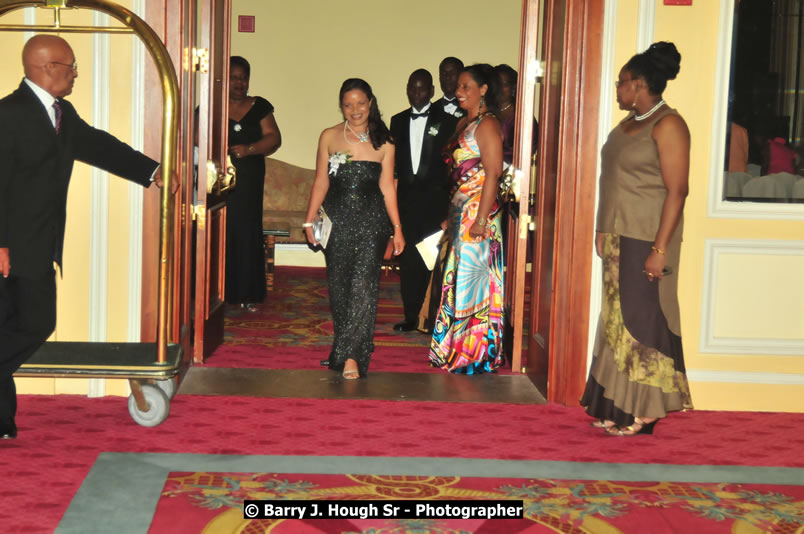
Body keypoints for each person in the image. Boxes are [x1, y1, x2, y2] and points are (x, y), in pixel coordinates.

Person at [0, 35, 174, 439]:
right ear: (47, 68)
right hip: (10, 248)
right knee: (35, 322)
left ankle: (3, 420)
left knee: (12, 327)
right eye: (70, 66)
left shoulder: (62, 114)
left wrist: (152, 172)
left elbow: (99, 146)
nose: (76, 72)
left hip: (41, 244)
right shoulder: (7, 115)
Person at [580, 42, 693, 437]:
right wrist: (601, 228)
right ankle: (617, 404)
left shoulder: (668, 124)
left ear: (640, 84)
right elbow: (611, 181)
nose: (617, 88)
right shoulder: (628, 125)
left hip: (647, 239)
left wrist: (659, 250)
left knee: (642, 323)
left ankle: (645, 409)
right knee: (615, 322)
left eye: (621, 82)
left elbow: (677, 191)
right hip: (617, 237)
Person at [303, 79, 405, 379]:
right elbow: (321, 181)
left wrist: (397, 228)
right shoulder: (329, 137)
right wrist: (309, 220)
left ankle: (351, 357)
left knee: (363, 286)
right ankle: (345, 346)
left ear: (371, 103)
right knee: (339, 286)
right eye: (348, 104)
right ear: (341, 106)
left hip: (372, 220)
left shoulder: (384, 142)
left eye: (361, 103)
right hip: (337, 219)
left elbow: (388, 188)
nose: (355, 110)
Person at [429, 64, 505, 374]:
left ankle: (474, 353)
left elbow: (494, 173)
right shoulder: (464, 123)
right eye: (458, 87)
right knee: (456, 280)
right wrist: (451, 217)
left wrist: (482, 220)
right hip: (462, 212)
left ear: (483, 90)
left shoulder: (488, 125)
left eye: (465, 86)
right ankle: (453, 348)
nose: (458, 92)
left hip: (479, 213)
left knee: (472, 283)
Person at [390, 69, 457, 333]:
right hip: (406, 202)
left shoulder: (448, 121)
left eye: (421, 89)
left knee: (433, 259)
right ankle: (410, 316)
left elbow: (453, 166)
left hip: (436, 201)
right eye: (411, 89)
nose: (416, 94)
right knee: (408, 262)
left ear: (431, 91)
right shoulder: (396, 121)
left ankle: (434, 317)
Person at [226, 56, 282, 311]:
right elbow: (196, 136)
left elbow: (273, 138)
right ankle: (220, 293)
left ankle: (249, 294)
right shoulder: (213, 104)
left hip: (249, 179)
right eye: (234, 77)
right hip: (219, 180)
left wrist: (248, 149)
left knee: (247, 232)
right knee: (222, 232)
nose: (239, 82)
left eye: (243, 77)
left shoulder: (259, 106)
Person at [494, 64, 539, 165]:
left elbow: (530, 149)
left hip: (512, 171)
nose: (499, 88)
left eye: (504, 84)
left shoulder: (523, 115)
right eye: (497, 84)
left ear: (513, 87)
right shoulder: (485, 110)